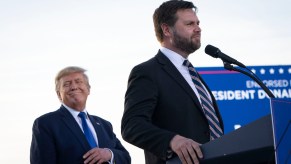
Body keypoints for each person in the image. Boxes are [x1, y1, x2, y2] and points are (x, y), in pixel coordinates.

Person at [121, 0, 224, 164]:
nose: (198, 28)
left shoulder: (193, 74)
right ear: (167, 30)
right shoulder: (147, 72)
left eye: (197, 23)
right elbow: (132, 126)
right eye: (189, 24)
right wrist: (172, 140)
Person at [30, 66, 131, 164]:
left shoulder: (105, 125)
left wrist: (109, 154)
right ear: (58, 94)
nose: (74, 87)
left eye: (78, 82)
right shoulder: (46, 123)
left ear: (88, 89)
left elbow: (125, 157)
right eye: (67, 84)